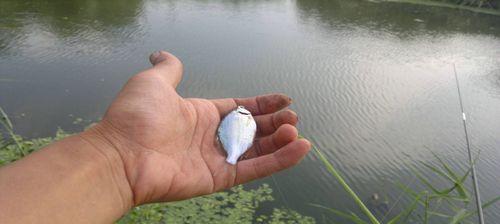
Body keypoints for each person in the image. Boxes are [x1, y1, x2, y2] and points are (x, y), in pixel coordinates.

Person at [0, 51, 311, 223]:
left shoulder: (237, 117)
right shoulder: (242, 118)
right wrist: (119, 154)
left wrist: (116, 158)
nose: (244, 113)